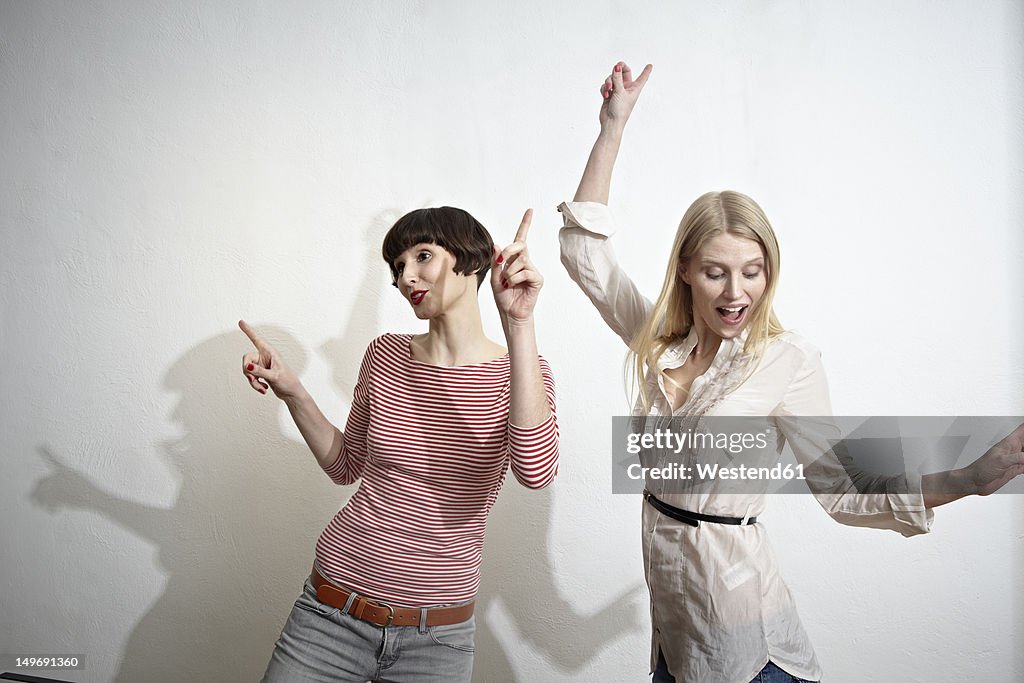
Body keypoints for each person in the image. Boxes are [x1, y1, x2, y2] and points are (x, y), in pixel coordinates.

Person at [558, 61, 1024, 683]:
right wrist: (612, 128)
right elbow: (585, 253)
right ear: (688, 271)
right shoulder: (657, 342)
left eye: (753, 270)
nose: (736, 291)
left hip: (746, 642)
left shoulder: (787, 360)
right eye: (717, 271)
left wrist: (968, 477)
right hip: (673, 636)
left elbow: (843, 488)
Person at [242, 206, 559, 682]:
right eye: (397, 267)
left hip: (437, 639)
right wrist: (292, 391)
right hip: (330, 615)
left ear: (471, 260)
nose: (406, 276)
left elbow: (535, 472)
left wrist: (519, 324)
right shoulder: (385, 354)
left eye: (423, 256)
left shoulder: (521, 374)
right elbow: (346, 466)